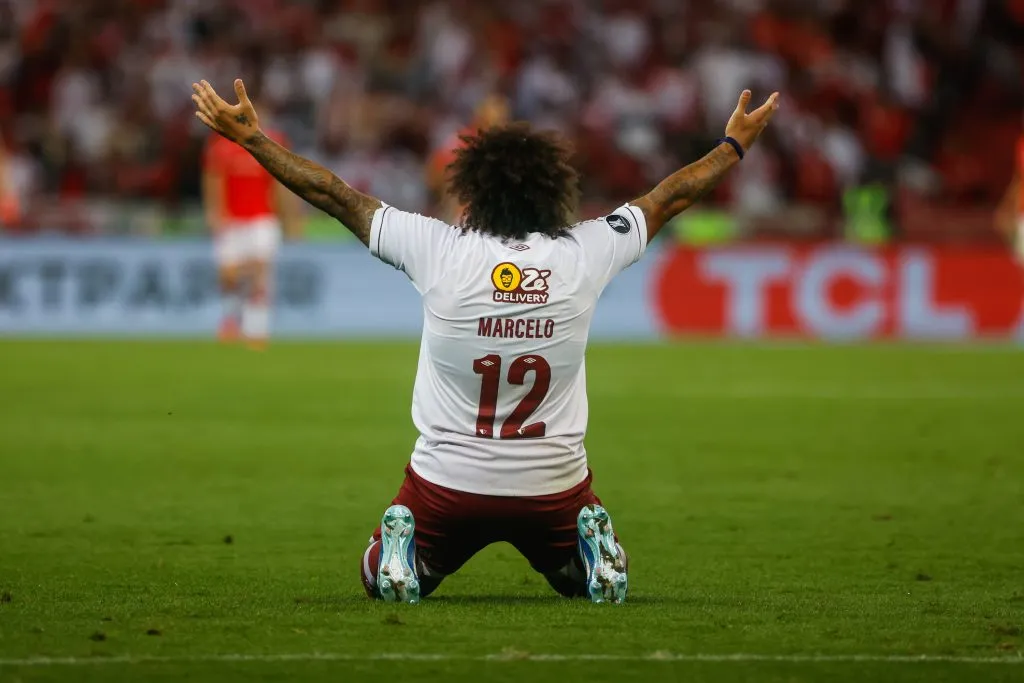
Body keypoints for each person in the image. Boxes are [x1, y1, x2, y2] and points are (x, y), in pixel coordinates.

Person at [192, 78, 778, 604]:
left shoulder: (437, 249)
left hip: (447, 485)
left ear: (471, 191)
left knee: (379, 577)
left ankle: (401, 552)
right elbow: (668, 198)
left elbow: (334, 195)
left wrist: (253, 140)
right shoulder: (586, 252)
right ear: (555, 192)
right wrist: (732, 146)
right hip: (553, 486)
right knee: (574, 583)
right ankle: (590, 551)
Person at [202, 123, 302, 348]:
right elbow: (213, 179)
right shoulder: (221, 145)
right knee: (228, 276)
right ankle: (231, 318)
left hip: (262, 219)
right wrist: (214, 213)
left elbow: (282, 183)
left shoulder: (272, 142)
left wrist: (291, 218)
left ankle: (256, 328)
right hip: (231, 221)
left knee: (260, 272)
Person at [426, 94, 510, 223]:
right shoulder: (463, 141)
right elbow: (433, 175)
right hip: (459, 215)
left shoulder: (503, 150)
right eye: (494, 121)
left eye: (502, 121)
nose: (499, 125)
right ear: (480, 119)